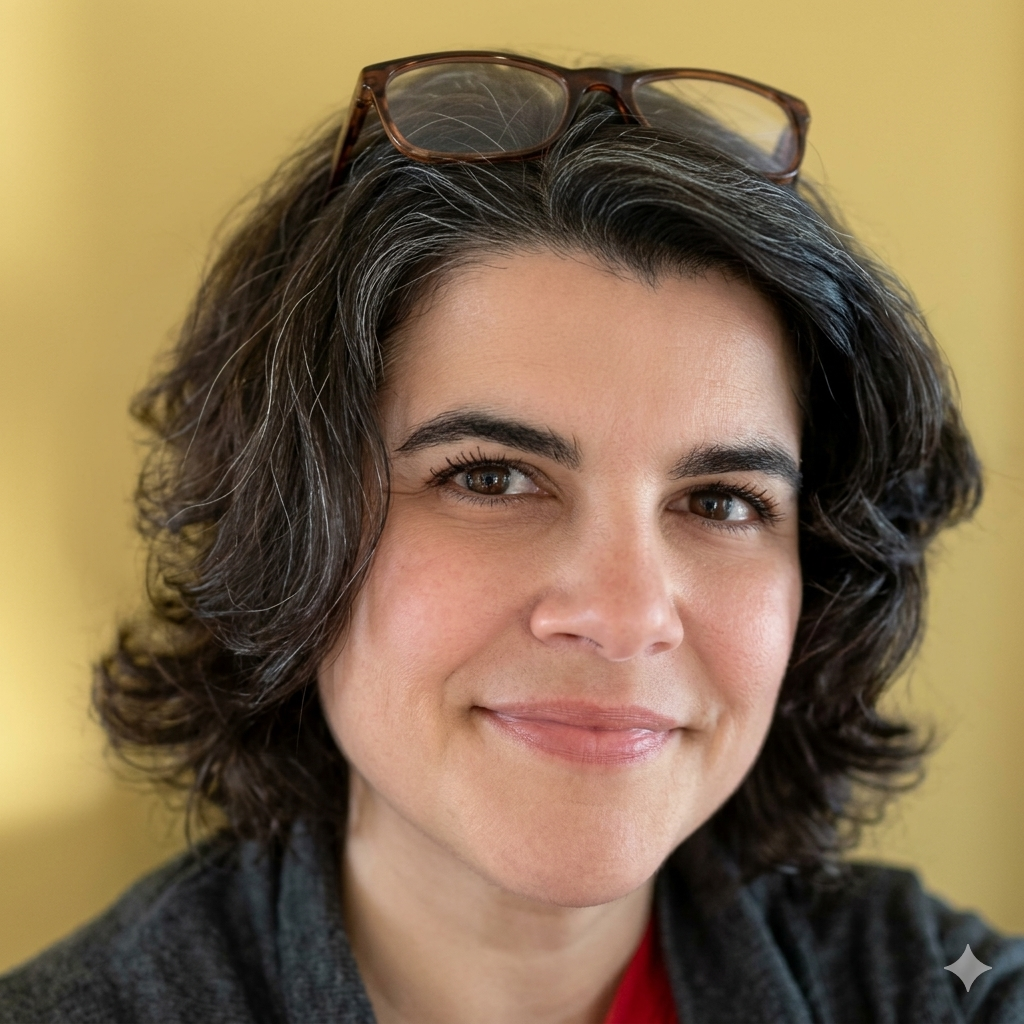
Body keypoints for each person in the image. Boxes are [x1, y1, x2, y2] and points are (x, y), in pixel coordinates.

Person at [1, 51, 1021, 1024]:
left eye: (720, 501)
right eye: (490, 478)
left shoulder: (932, 986)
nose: (624, 616)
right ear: (289, 527)